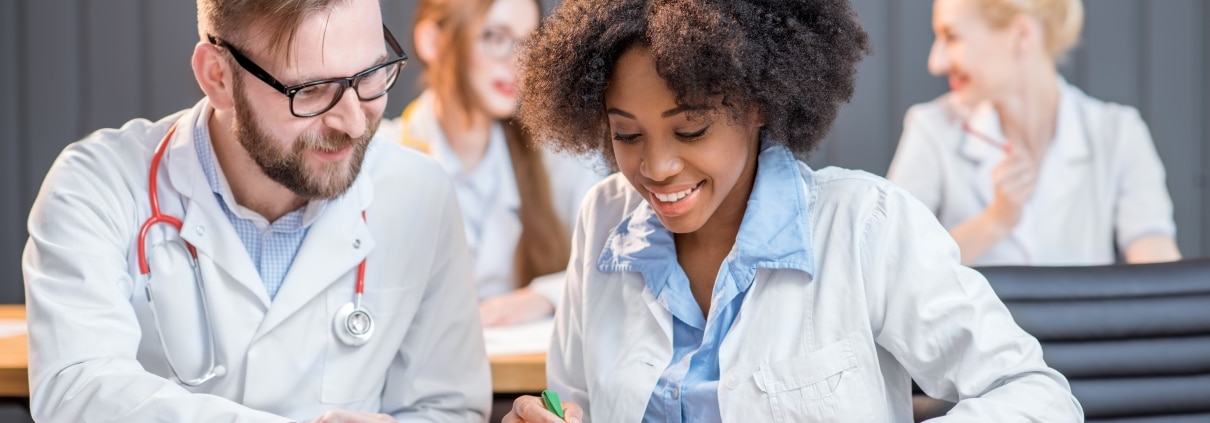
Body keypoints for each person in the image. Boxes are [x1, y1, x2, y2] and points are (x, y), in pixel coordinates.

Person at [501, 0, 1084, 421]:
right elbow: (574, 398)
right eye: (627, 135)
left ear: (758, 103)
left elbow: (1037, 395)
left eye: (691, 129)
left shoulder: (864, 225)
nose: (656, 167)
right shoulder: (604, 218)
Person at [21, 0, 489, 421]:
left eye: (370, 74)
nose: (352, 122)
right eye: (311, 90)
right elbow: (78, 392)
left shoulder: (420, 195)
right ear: (217, 77)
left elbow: (446, 408)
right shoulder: (96, 186)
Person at [886, 0, 1180, 266]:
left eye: (952, 37)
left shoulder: (1118, 133)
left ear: (1022, 35)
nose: (936, 63)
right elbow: (893, 262)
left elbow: (1157, 271)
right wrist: (996, 221)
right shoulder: (930, 128)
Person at [377, 0, 602, 327]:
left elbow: (611, 264)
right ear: (432, 41)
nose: (519, 62)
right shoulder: (382, 156)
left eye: (528, 44)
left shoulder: (558, 157)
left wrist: (544, 296)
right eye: (496, 37)